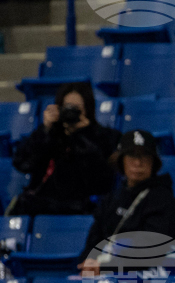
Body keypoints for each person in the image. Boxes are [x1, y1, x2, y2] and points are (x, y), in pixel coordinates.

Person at [76, 129, 175, 276]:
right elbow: (94, 239)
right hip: (108, 273)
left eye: (144, 156)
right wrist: (88, 262)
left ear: (154, 162)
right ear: (121, 160)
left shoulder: (164, 201)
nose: (138, 163)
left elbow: (152, 250)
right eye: (132, 155)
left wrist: (106, 267)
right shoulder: (112, 199)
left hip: (147, 278)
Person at [10, 82, 120, 216]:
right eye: (67, 107)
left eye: (76, 107)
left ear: (88, 108)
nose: (71, 112)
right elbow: (22, 163)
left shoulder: (103, 136)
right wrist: (45, 130)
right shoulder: (50, 135)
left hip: (82, 208)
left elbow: (102, 182)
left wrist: (84, 134)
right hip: (43, 207)